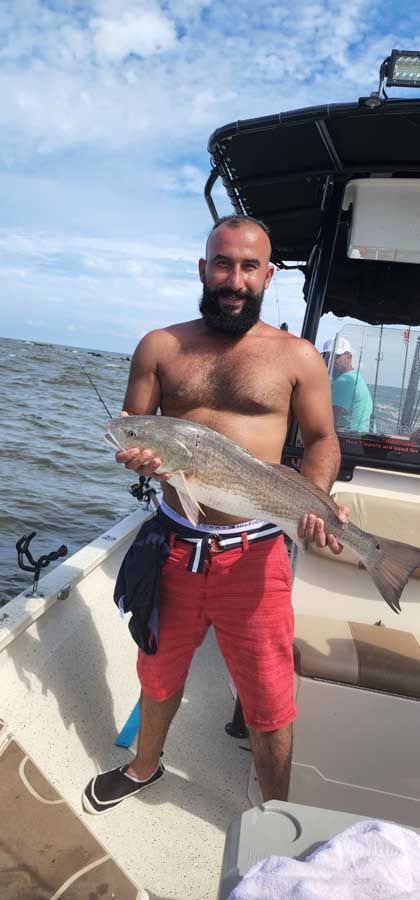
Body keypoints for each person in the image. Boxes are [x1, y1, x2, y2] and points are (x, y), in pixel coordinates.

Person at [82, 214, 346, 816]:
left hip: (255, 554)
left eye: (248, 266)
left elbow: (323, 439)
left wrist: (316, 495)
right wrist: (138, 461)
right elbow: (133, 431)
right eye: (223, 264)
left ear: (267, 275)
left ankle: (276, 812)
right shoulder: (160, 347)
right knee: (157, 675)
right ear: (204, 269)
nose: (234, 278)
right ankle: (145, 767)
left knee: (270, 699)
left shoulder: (298, 357)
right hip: (173, 547)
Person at [322, 336, 373, 433]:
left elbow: (329, 423)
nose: (330, 360)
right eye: (326, 355)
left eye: (336, 356)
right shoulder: (353, 376)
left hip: (351, 441)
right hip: (360, 438)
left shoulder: (345, 381)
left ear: (349, 357)